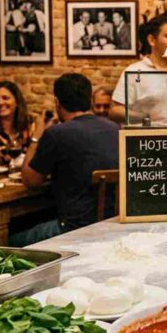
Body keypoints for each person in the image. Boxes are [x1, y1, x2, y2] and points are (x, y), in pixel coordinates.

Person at [13, 73, 119, 246]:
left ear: (57, 103)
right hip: (110, 225)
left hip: (72, 230)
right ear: (90, 101)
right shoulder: (115, 129)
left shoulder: (57, 134)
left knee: (10, 239)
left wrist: (36, 136)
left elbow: (30, 180)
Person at [109, 13, 167, 124]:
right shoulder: (133, 72)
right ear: (152, 40)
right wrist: (145, 118)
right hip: (147, 139)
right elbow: (114, 111)